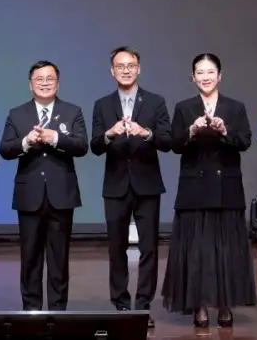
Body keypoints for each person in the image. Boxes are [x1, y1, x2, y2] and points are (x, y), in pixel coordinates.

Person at [162, 53, 257, 328]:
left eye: (210, 72)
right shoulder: (184, 107)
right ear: (193, 77)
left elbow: (245, 141)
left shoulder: (234, 107)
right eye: (200, 72)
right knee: (197, 250)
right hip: (194, 188)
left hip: (226, 187)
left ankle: (225, 304)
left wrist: (224, 130)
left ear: (220, 76)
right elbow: (173, 144)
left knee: (226, 249)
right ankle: (199, 305)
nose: (205, 77)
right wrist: (191, 130)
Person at [90, 47, 171, 327]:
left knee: (149, 248)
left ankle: (143, 307)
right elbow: (94, 146)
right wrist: (109, 134)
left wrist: (145, 133)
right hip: (115, 185)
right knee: (116, 248)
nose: (126, 70)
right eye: (120, 66)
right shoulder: (102, 105)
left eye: (131, 65)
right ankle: (121, 305)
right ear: (112, 71)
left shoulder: (155, 102)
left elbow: (167, 140)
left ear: (139, 69)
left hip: (147, 184)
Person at [0, 60, 89, 312]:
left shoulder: (72, 111)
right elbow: (5, 149)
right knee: (30, 256)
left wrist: (55, 138)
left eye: (50, 79)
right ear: (31, 85)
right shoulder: (17, 114)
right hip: (29, 195)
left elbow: (82, 145)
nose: (45, 83)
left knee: (59, 257)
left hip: (61, 194)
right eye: (39, 79)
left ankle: (58, 311)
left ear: (58, 84)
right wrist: (26, 141)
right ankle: (32, 310)